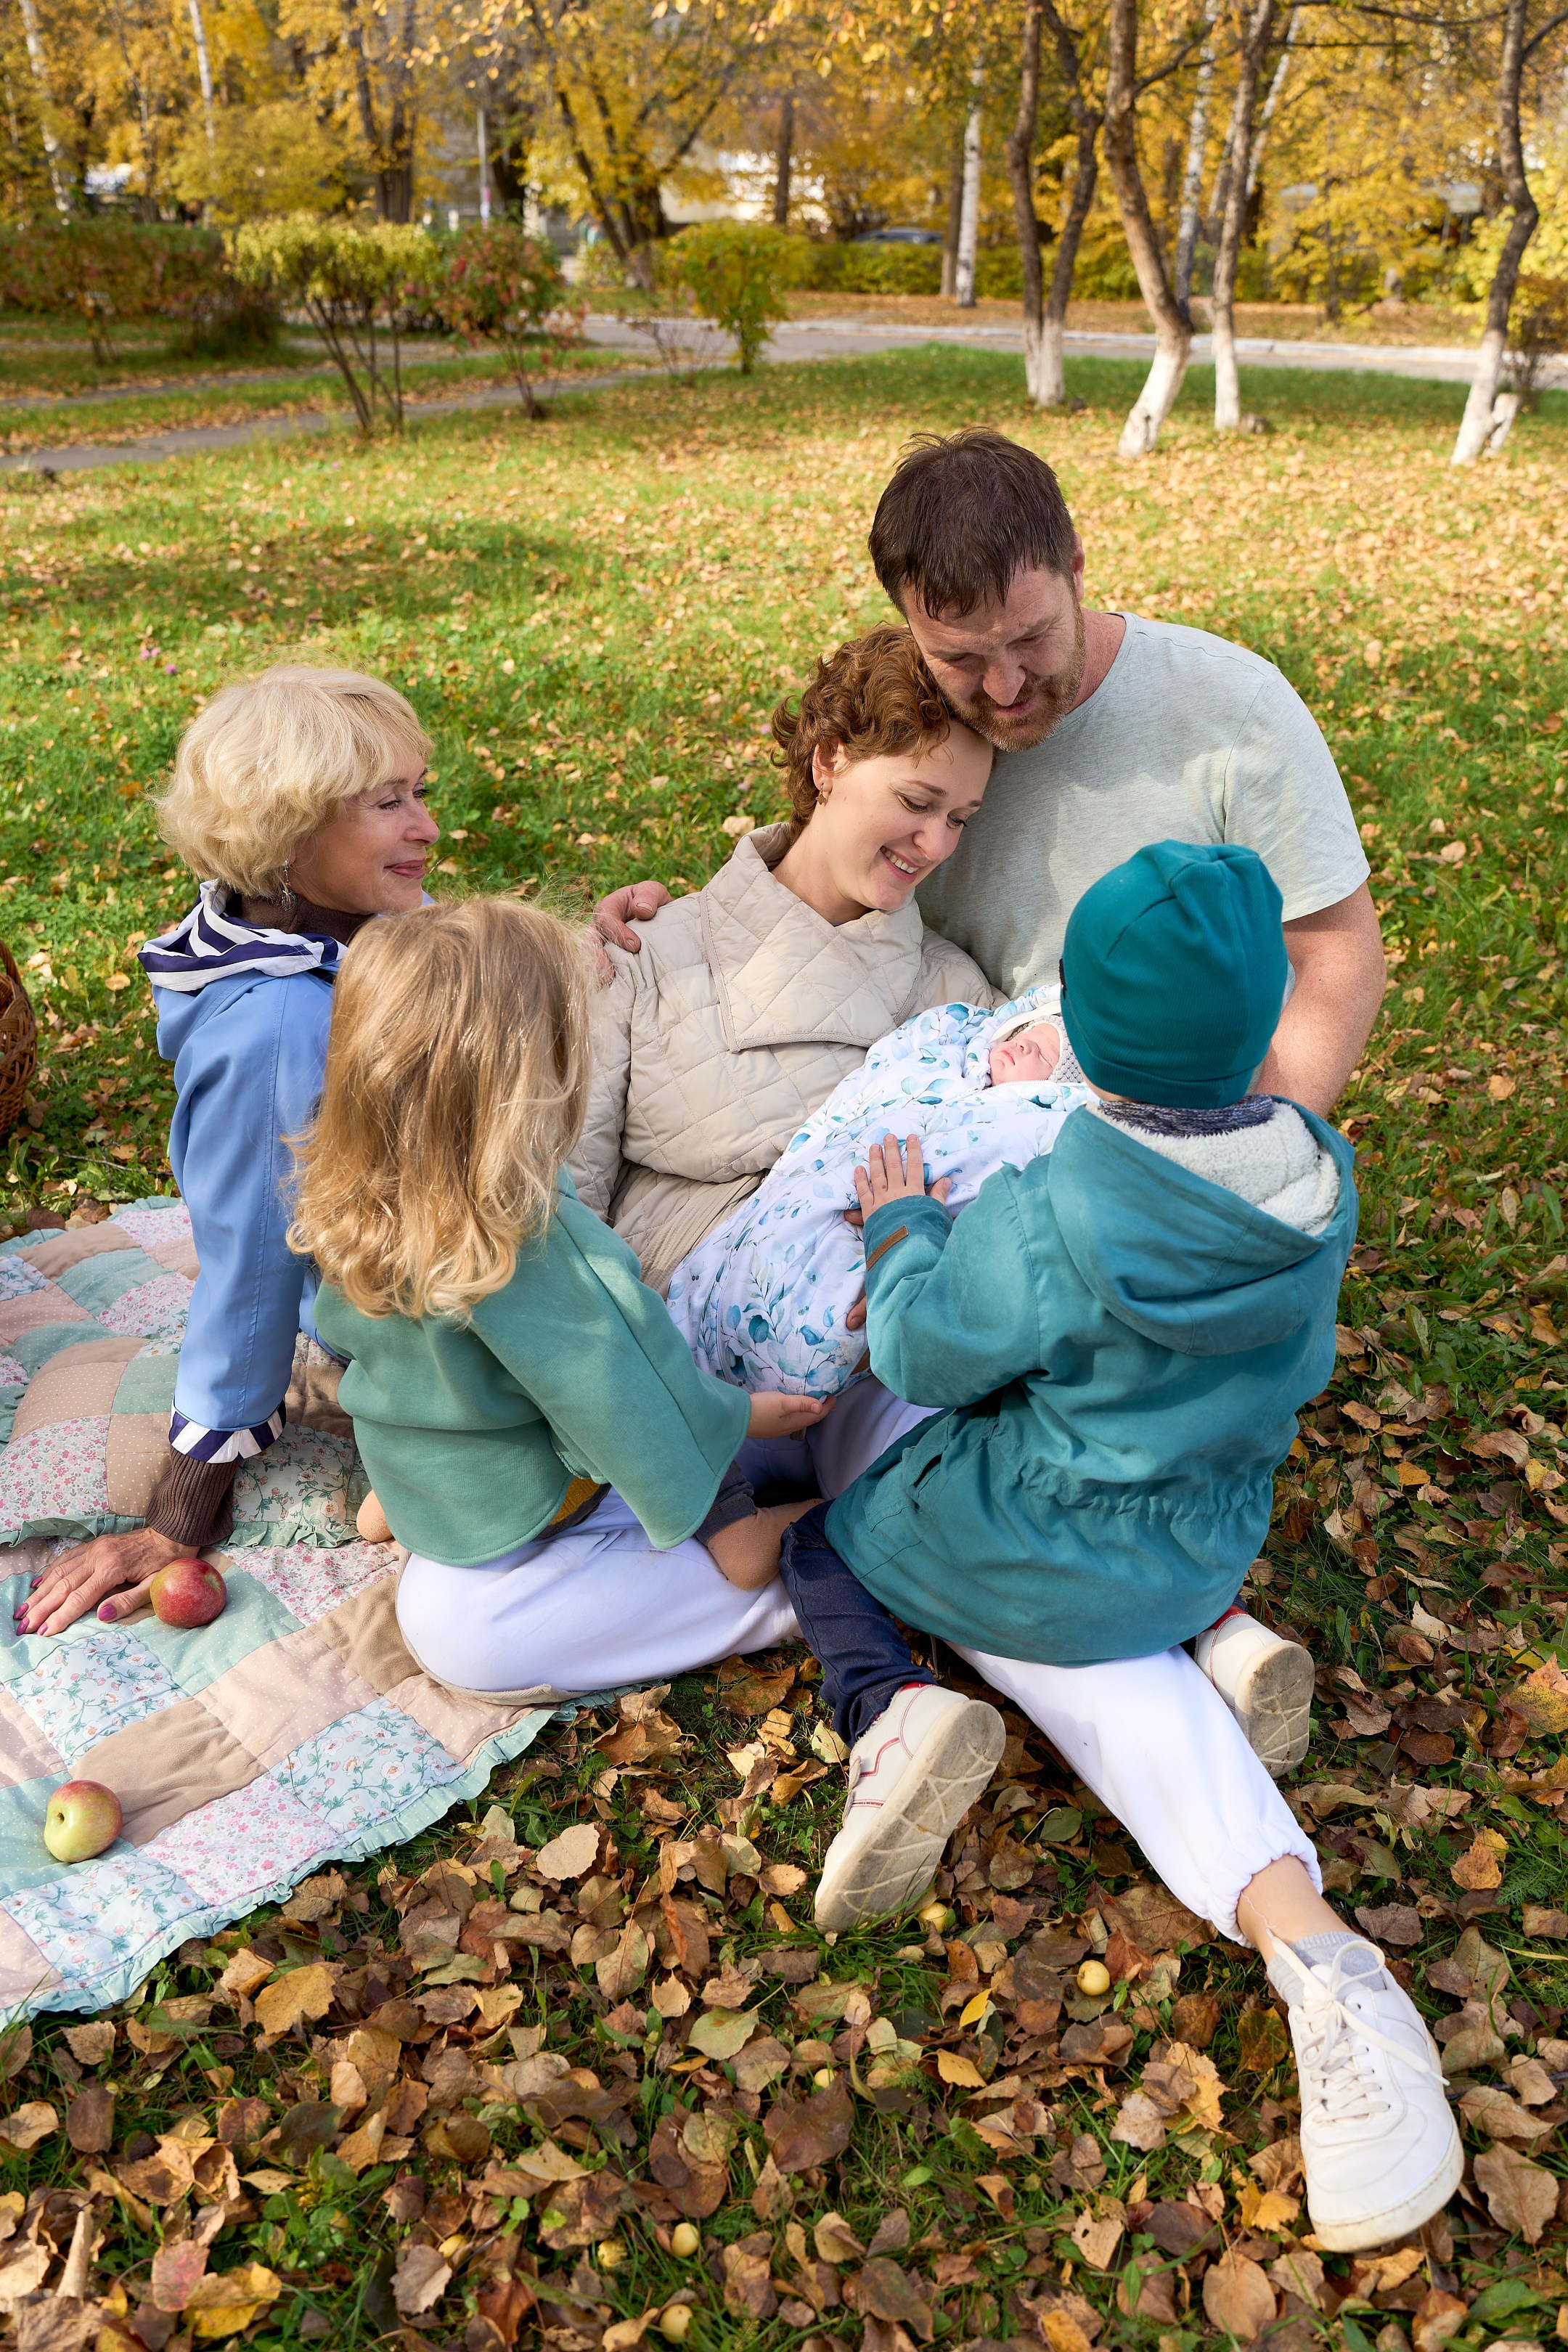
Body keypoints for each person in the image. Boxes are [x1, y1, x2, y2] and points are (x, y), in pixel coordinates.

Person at [757, 841, 1461, 2257]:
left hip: (1018, 1552)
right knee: (1117, 1600)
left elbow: (926, 1353)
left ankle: (887, 1709)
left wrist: (904, 1227)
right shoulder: (1320, 1179)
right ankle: (1238, 1691)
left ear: (1084, 1029)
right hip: (1202, 1537)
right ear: (1263, 1024)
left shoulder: (1055, 1210)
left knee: (831, 1530)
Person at [593, 429, 1385, 1120]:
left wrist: (1248, 1143)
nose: (1005, 689)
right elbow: (833, 873)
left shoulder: (1231, 709)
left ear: (1076, 569)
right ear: (910, 623)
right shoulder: (930, 737)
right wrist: (673, 934)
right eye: (962, 658)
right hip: (978, 1125)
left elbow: (1339, 956)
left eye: (1032, 640)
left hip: (1178, 1124)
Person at [294, 898, 826, 1700]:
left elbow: (615, 1386)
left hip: (521, 1437)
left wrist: (732, 1416)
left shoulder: (403, 1204)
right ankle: (744, 1532)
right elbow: (608, 1388)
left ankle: (785, 1533)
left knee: (464, 1631)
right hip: (503, 1460)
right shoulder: (483, 1225)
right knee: (460, 1618)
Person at [16, 666, 441, 1640]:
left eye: (421, 794)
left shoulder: (322, 921)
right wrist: (177, 1519)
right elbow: (252, 1273)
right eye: (388, 804)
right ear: (291, 834)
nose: (424, 826)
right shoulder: (280, 1031)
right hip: (404, 1313)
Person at [572, 624, 997, 1503]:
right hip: (664, 1371)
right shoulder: (650, 953)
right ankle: (808, 1561)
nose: (937, 843)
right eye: (917, 802)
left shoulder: (954, 993)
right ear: (830, 762)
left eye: (959, 819)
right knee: (462, 1625)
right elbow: (556, 1200)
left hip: (880, 1374)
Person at [666, 982, 1091, 1400]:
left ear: (1051, 1091)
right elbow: (858, 1100)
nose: (1027, 1048)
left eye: (1047, 1056)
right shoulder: (949, 1050)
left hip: (882, 1250)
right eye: (1027, 1036)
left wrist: (912, 1234)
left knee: (804, 1331)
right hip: (807, 1193)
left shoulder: (1030, 1128)